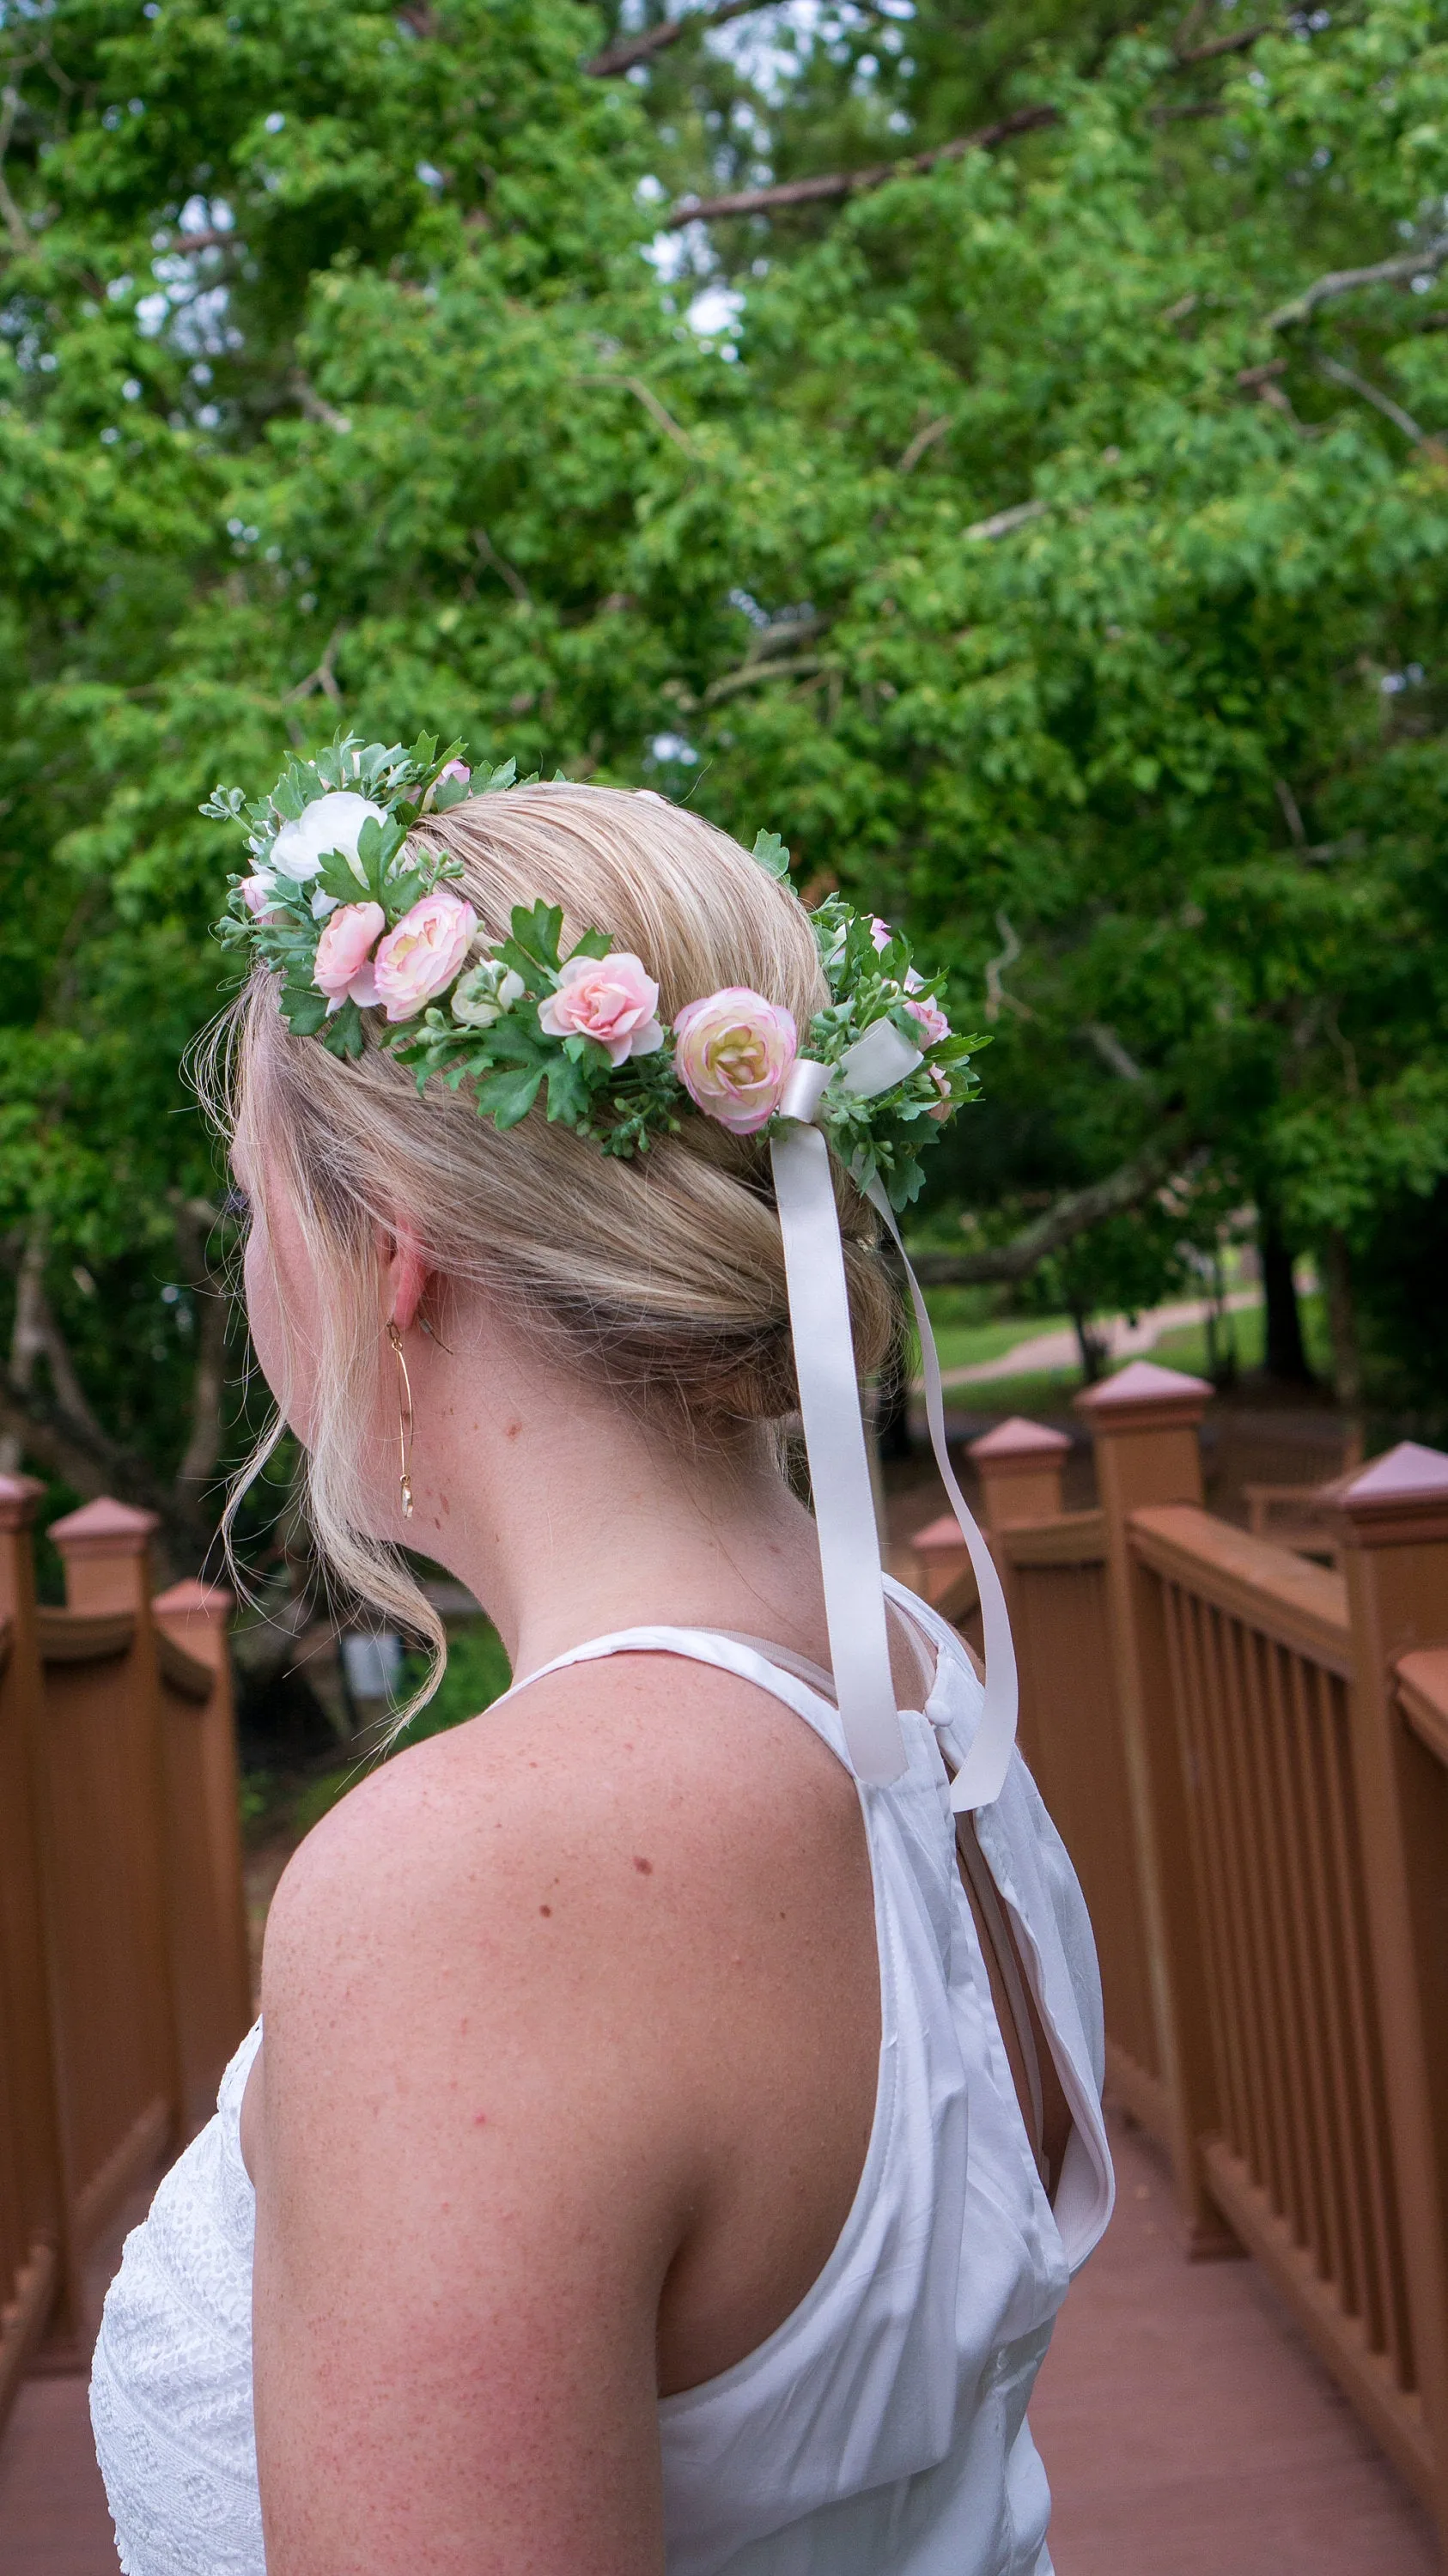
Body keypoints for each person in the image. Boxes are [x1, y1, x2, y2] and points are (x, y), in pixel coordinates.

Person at [90, 747, 1113, 2576]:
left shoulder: (477, 1895)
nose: (254, 1274)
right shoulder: (905, 1660)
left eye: (254, 1211)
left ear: (390, 1252)